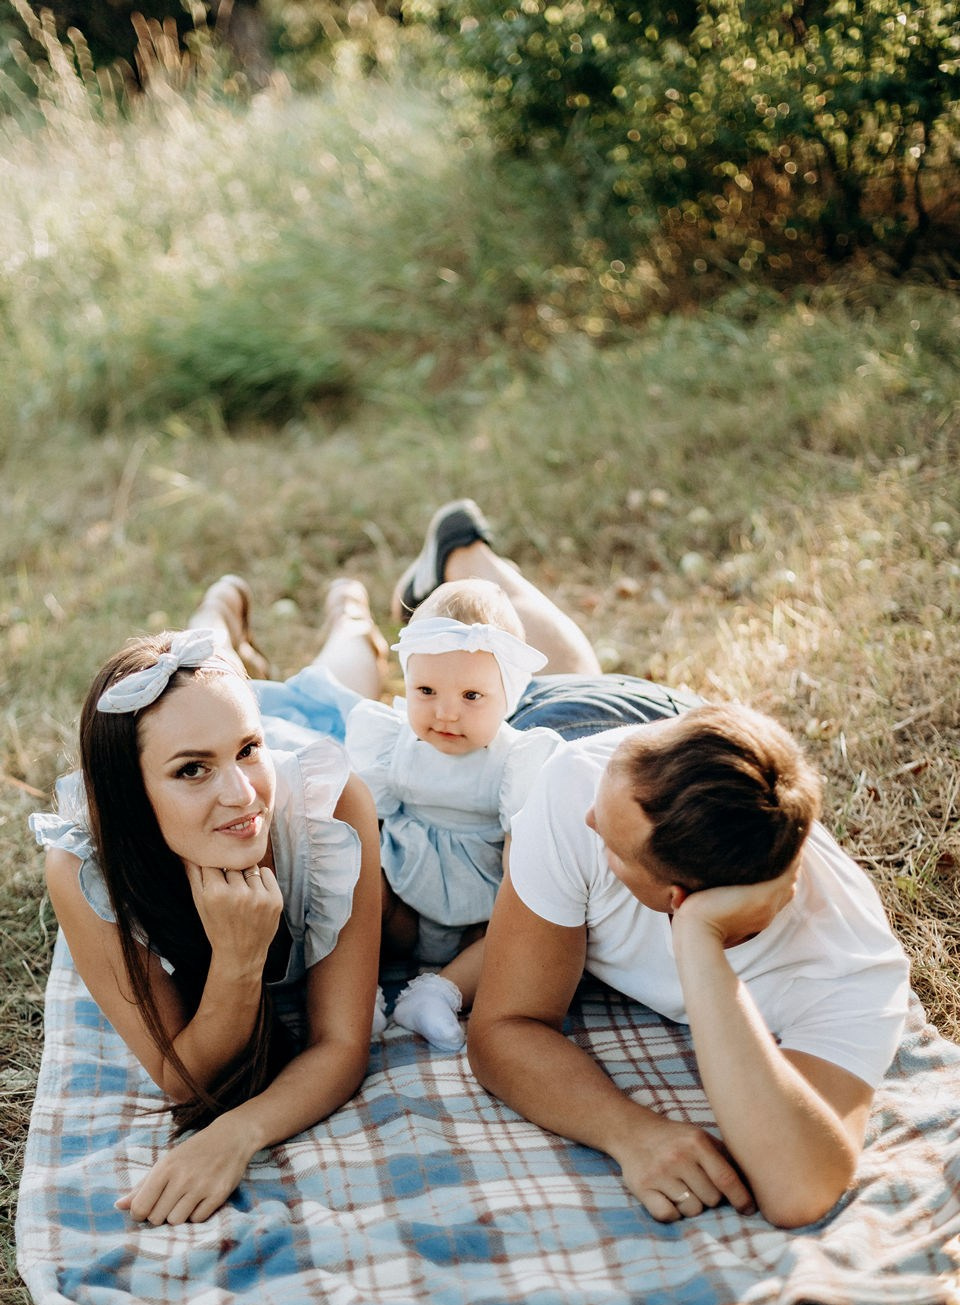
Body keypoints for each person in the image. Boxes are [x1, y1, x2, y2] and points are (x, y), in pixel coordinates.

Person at [394, 500, 912, 1231]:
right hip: (601, 731)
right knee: (507, 685)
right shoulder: (578, 785)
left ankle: (471, 561)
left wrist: (699, 945)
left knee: (564, 676)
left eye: (609, 843)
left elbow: (801, 1185)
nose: (588, 827)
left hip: (664, 777)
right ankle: (466, 563)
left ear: (674, 895)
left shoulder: (848, 967)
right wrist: (629, 1132)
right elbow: (504, 1028)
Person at [29, 577, 388, 1227]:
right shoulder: (84, 865)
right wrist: (237, 959)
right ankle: (219, 608)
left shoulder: (329, 806)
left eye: (248, 752)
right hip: (205, 721)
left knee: (339, 673)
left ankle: (347, 606)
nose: (242, 796)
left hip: (301, 726)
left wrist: (238, 1133)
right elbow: (181, 1076)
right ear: (133, 795)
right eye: (191, 770)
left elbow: (341, 1043)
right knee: (190, 684)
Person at [344, 577, 565, 1052]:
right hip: (404, 898)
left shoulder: (516, 761)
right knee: (355, 883)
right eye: (426, 690)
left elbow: (520, 864)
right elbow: (364, 829)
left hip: (477, 915)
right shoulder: (391, 744)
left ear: (508, 697)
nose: (445, 713)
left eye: (471, 696)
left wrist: (515, 914)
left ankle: (440, 993)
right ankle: (356, 991)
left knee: (526, 928)